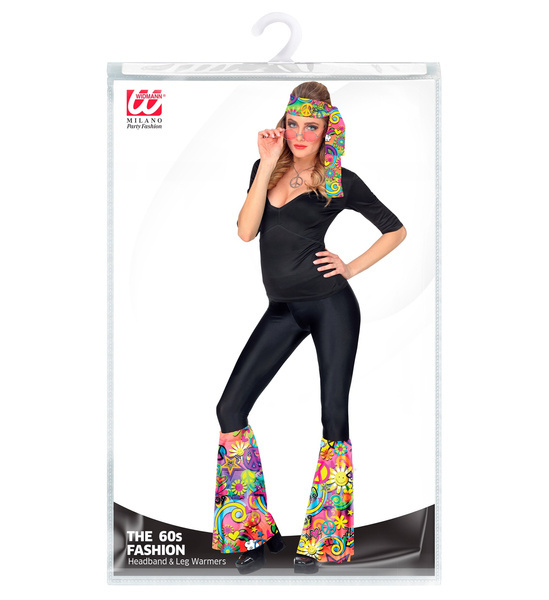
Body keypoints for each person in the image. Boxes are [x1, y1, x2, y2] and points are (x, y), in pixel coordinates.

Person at [211, 81, 406, 573]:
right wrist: (265, 162)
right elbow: (246, 231)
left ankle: (322, 540)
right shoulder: (265, 168)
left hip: (330, 306)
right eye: (293, 124)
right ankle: (252, 529)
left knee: (333, 416)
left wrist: (350, 267)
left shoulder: (339, 181)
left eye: (311, 126)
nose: (300, 135)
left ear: (326, 130)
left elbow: (395, 230)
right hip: (282, 308)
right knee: (230, 408)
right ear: (284, 125)